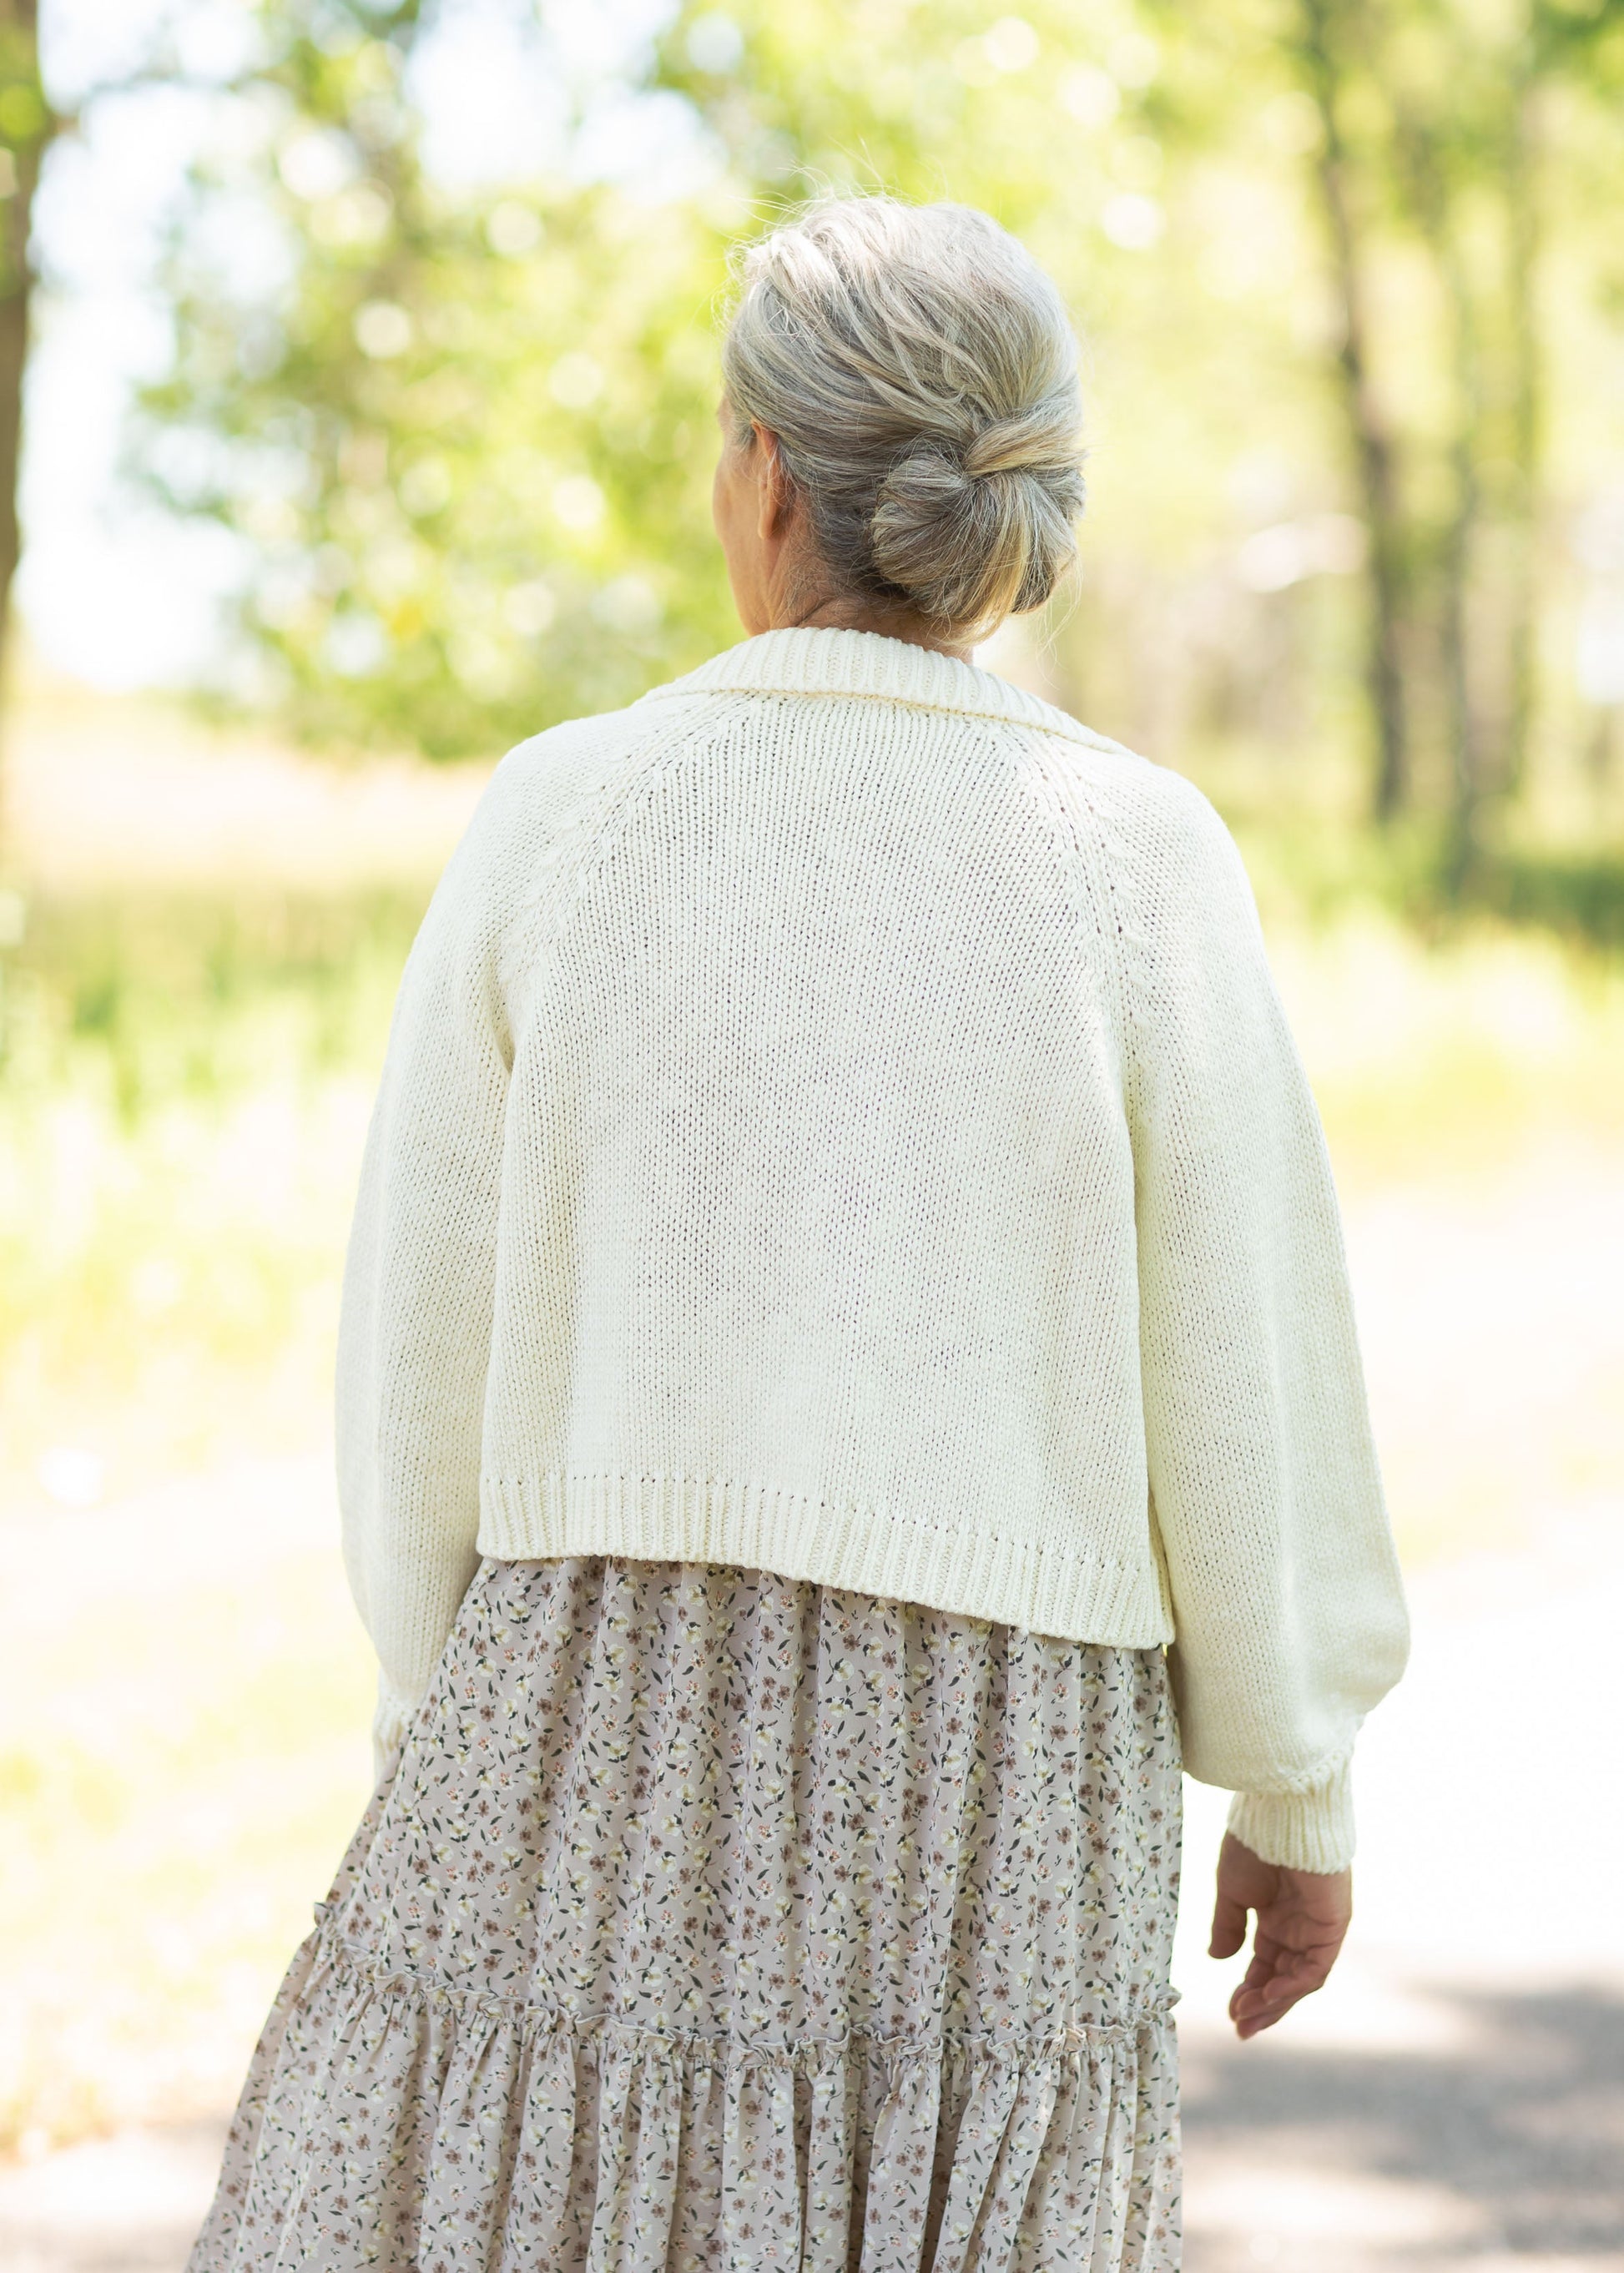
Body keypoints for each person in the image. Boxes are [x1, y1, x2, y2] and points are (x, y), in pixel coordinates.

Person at [189, 194, 1409, 2272]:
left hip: (592, 1718)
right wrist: (1292, 1785)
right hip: (997, 1784)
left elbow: (420, 1367)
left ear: (763, 475)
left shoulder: (564, 817)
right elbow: (1243, 1365)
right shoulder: (1132, 858)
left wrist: (440, 1722)